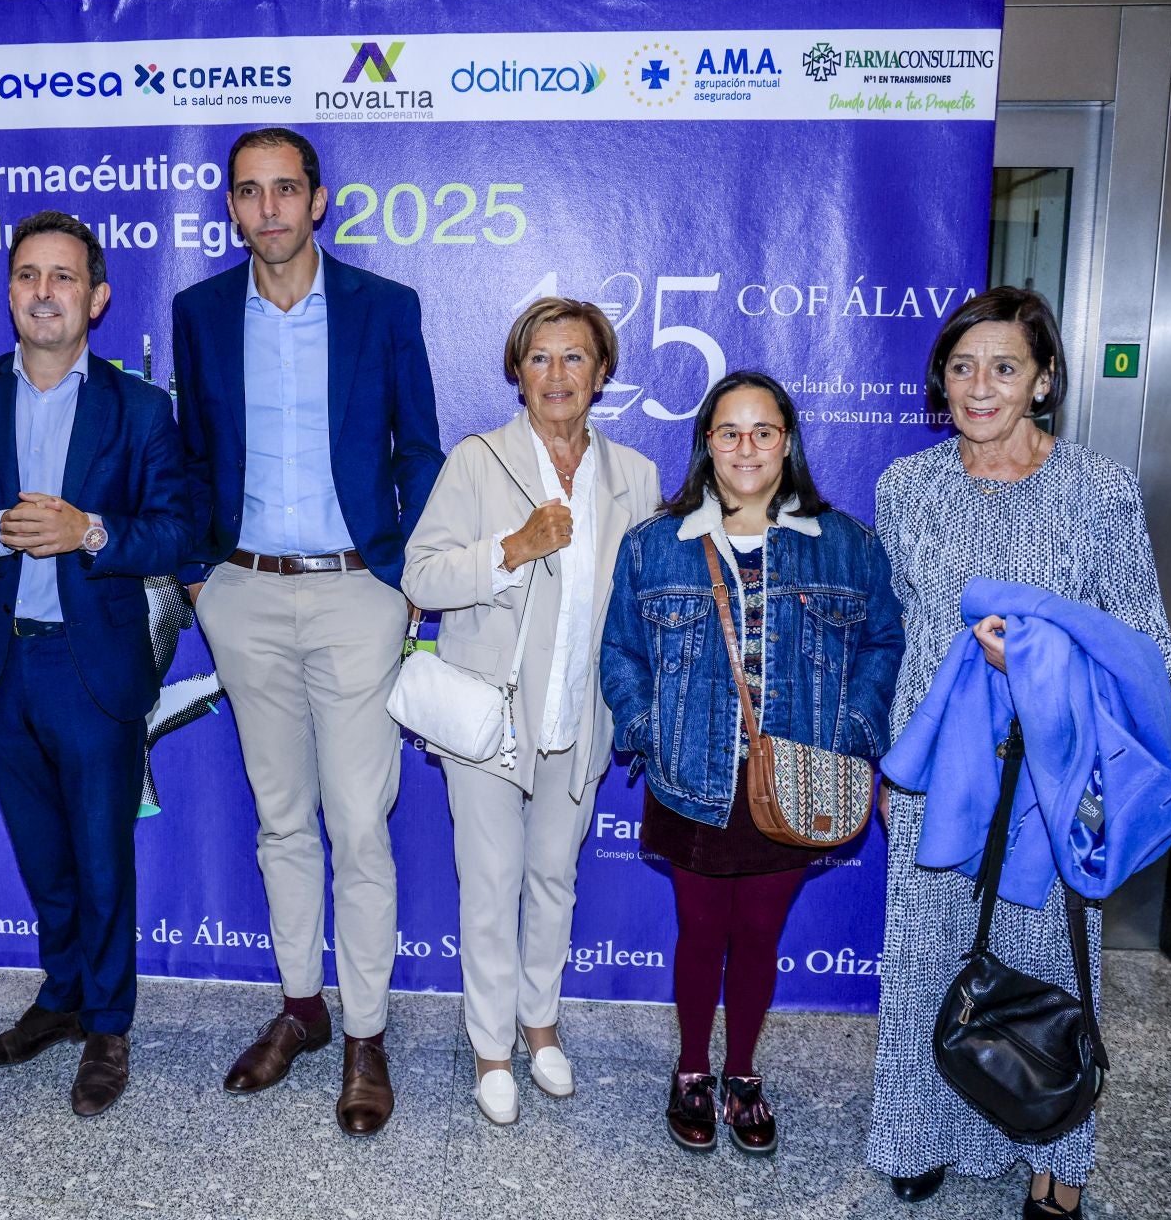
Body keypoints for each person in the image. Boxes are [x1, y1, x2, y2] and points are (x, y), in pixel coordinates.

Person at [864, 288, 1171, 1220]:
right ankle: (917, 1136)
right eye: (962, 368)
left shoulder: (1099, 491)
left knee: (1050, 965)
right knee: (928, 958)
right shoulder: (906, 488)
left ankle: (1057, 1154)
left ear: (1043, 380)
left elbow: (1149, 644)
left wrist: (1039, 659)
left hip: (1057, 778)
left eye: (1004, 367)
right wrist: (891, 761)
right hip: (936, 775)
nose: (979, 387)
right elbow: (897, 637)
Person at [171, 126, 444, 1136]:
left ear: (319, 201)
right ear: (233, 208)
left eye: (287, 189)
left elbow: (418, 447)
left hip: (354, 591)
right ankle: (302, 1007)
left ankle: (367, 1033)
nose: (270, 209)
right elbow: (192, 453)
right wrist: (200, 577)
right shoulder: (200, 313)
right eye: (250, 192)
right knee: (281, 815)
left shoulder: (383, 307)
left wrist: (408, 578)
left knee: (359, 821)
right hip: (241, 591)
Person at [0, 210, 193, 1117]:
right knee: (43, 856)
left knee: (103, 858)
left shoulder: (141, 409)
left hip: (92, 668)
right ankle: (62, 996)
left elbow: (183, 531)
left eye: (63, 277)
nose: (43, 292)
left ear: (97, 297)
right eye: (27, 275)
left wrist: (91, 530)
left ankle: (109, 1023)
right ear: (8, 293)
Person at [601, 370, 902, 1157]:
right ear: (706, 444)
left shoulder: (845, 543)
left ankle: (742, 1074)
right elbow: (621, 653)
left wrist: (852, 732)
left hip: (796, 779)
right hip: (692, 776)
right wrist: (650, 730)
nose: (746, 447)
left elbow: (883, 645)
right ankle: (692, 1070)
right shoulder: (654, 544)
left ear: (787, 442)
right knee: (701, 930)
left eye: (763, 432)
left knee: (761, 934)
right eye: (729, 432)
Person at [402, 298, 661, 1126]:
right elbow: (421, 578)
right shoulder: (477, 462)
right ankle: (490, 1047)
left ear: (603, 374)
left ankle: (540, 1025)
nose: (557, 375)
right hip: (491, 715)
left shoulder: (638, 477)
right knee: (491, 886)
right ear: (517, 372)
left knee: (555, 880)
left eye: (575, 358)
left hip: (580, 720)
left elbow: (642, 606)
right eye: (540, 358)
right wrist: (511, 549)